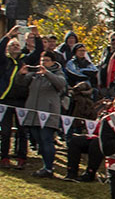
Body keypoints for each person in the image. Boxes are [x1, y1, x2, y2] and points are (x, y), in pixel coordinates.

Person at [22, 49, 66, 177]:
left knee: (46, 139)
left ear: (53, 62)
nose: (43, 63)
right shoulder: (36, 74)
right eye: (42, 60)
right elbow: (21, 83)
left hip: (48, 113)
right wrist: (22, 74)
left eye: (46, 60)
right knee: (37, 138)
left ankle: (49, 168)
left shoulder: (58, 73)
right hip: (33, 112)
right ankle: (45, 165)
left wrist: (47, 73)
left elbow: (60, 84)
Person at [63, 81, 104, 181]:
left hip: (112, 141)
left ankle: (90, 173)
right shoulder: (110, 113)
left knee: (96, 143)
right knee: (75, 141)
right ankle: (71, 172)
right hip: (96, 134)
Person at [1, 37, 30, 168]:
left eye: (17, 45)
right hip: (5, 99)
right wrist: (8, 36)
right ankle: (4, 157)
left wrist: (36, 37)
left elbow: (38, 52)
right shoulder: (4, 61)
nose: (15, 47)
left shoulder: (25, 60)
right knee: (5, 131)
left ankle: (21, 157)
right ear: (8, 48)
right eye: (12, 45)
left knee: (22, 131)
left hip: (21, 100)